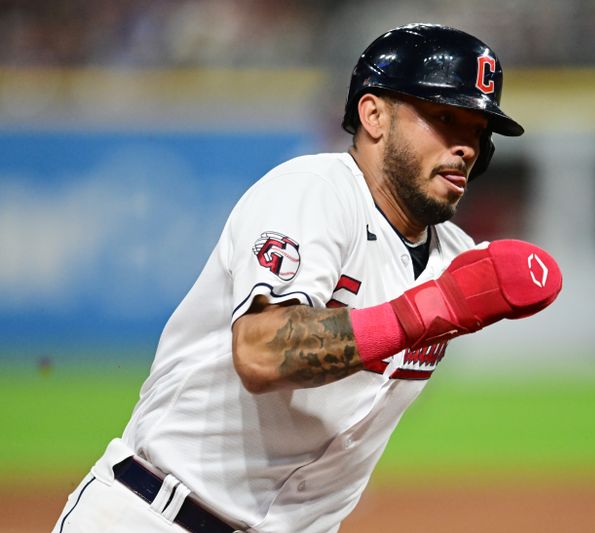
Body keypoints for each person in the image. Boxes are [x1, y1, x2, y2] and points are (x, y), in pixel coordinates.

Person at [53, 23, 562, 533]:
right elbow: (261, 352)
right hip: (156, 517)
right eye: (444, 118)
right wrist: (432, 308)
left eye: (476, 131)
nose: (466, 147)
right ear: (374, 114)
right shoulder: (313, 193)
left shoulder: (453, 259)